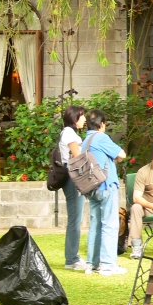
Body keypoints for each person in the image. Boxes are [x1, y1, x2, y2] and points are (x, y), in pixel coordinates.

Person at [83, 109, 127, 276]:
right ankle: (108, 264)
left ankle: (92, 263)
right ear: (102, 124)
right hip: (106, 185)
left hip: (91, 187)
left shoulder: (85, 141)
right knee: (110, 224)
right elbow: (122, 154)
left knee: (95, 224)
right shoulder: (101, 138)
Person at [60, 105, 87, 271]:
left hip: (72, 176)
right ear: (75, 117)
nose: (84, 119)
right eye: (82, 116)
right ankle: (71, 259)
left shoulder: (69, 132)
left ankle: (73, 256)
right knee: (75, 219)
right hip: (72, 177)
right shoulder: (69, 133)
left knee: (76, 218)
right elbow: (77, 155)